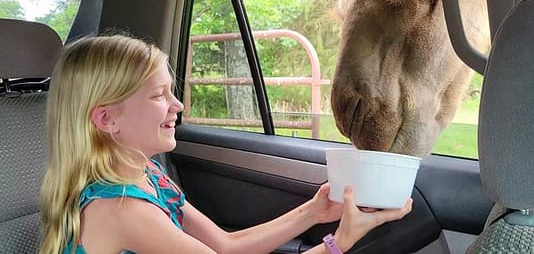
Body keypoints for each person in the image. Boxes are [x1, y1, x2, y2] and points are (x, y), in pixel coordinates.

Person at [40, 34, 412, 254]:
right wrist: (340, 241)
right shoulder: (121, 210)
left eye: (172, 91)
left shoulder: (146, 175)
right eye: (158, 96)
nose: (178, 105)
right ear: (107, 119)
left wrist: (313, 213)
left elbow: (225, 245)